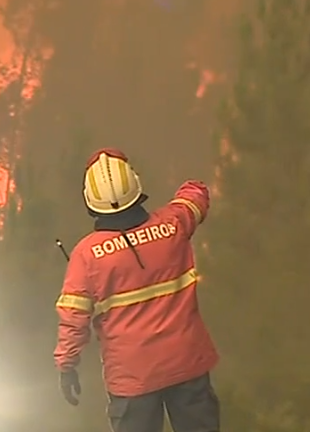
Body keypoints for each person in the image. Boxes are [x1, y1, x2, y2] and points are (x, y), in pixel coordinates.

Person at [54, 148, 219, 432]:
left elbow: (73, 320)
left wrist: (67, 366)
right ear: (136, 187)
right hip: (187, 365)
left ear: (91, 202)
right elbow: (196, 193)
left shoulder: (86, 255)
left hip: (132, 380)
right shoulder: (173, 224)